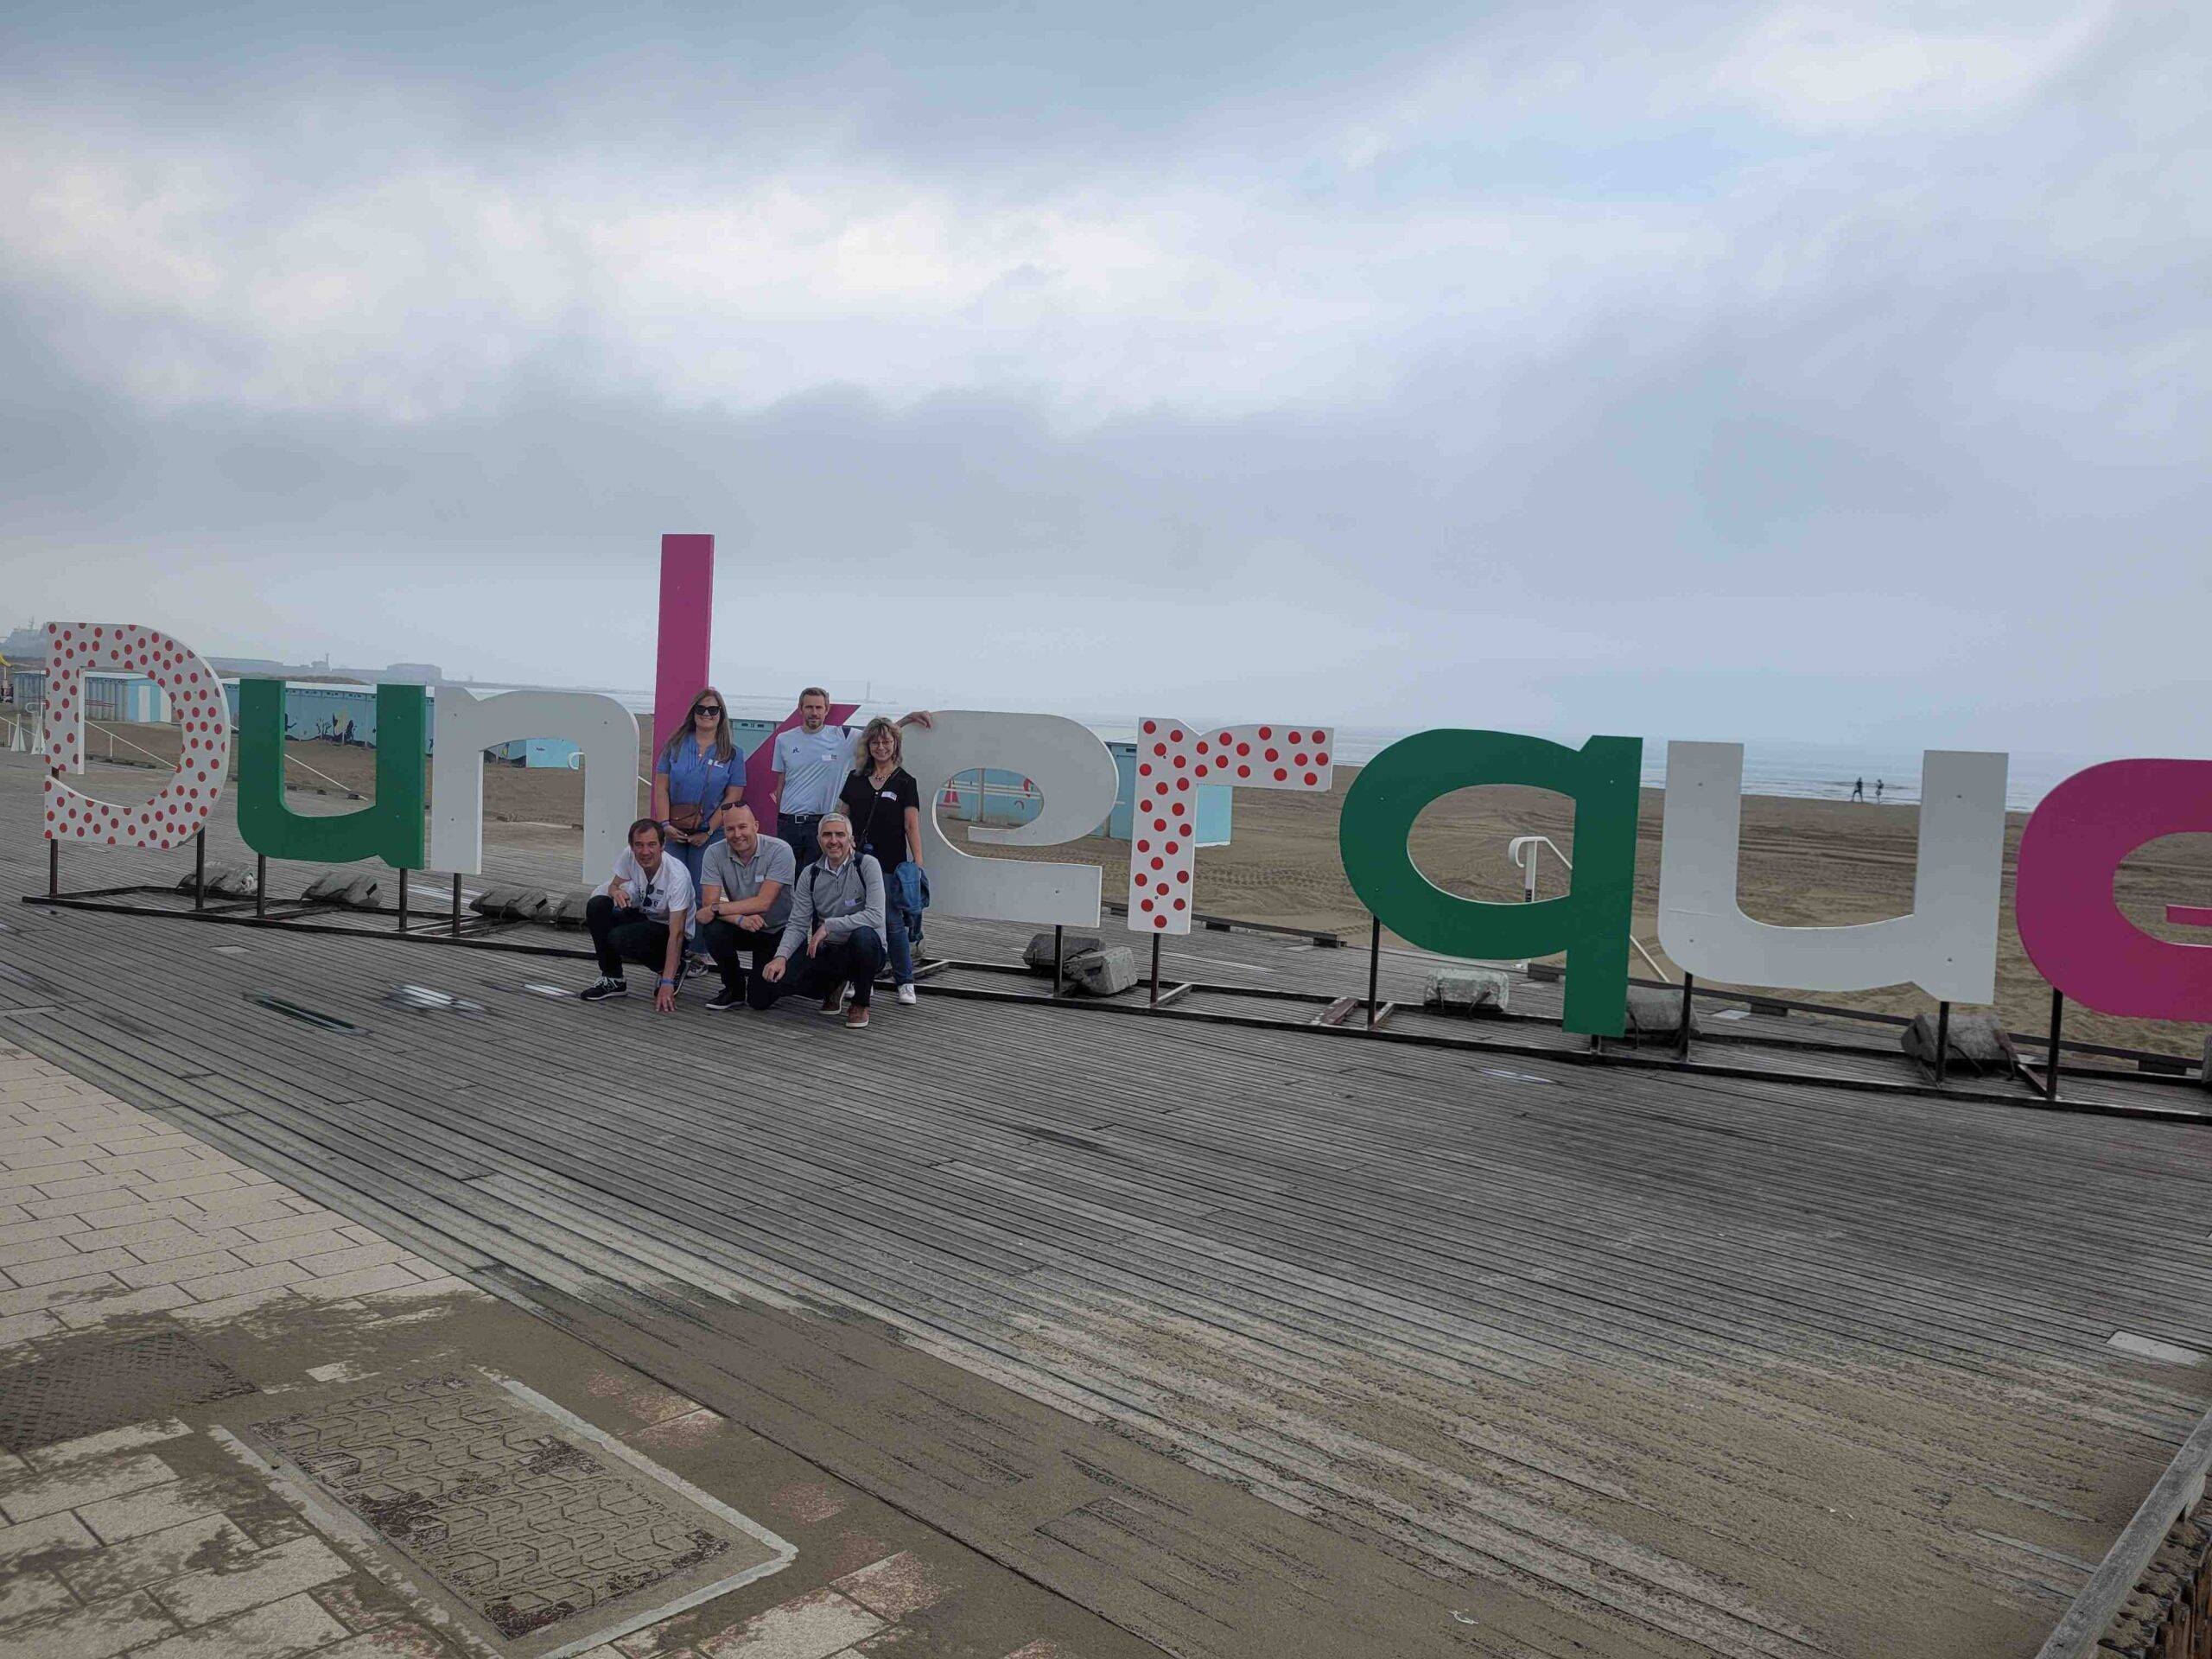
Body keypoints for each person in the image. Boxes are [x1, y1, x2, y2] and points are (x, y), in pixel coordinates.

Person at [770, 690, 933, 873]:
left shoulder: (843, 737)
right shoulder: (783, 740)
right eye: (809, 707)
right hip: (789, 824)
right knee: (785, 880)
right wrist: (780, 819)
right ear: (800, 709)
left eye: (818, 707)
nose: (814, 712)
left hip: (821, 824)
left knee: (818, 881)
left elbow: (879, 737)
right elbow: (781, 783)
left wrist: (909, 718)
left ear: (826, 709)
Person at [759, 812, 884, 1029]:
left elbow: (876, 915)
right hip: (829, 950)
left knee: (863, 937)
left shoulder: (868, 865)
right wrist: (781, 957)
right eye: (827, 835)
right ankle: (834, 985)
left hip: (866, 949)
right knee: (763, 994)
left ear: (850, 839)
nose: (833, 841)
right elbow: (798, 923)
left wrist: (829, 925)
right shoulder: (810, 873)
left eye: (840, 835)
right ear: (819, 840)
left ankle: (860, 1002)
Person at [839, 715, 923, 1006]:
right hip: (856, 863)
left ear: (895, 745)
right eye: (875, 741)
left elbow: (912, 826)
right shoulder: (856, 778)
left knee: (891, 921)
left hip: (890, 864)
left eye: (887, 741)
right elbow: (841, 816)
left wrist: (917, 865)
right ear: (868, 745)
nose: (881, 746)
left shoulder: (905, 782)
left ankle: (905, 981)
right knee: (856, 920)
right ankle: (861, 979)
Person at [581, 817, 695, 1010]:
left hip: (671, 929)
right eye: (639, 845)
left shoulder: (677, 877)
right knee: (597, 905)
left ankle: (674, 969)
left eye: (652, 845)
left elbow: (677, 934)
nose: (645, 852)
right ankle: (613, 978)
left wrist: (666, 982)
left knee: (619, 938)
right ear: (631, 846)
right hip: (646, 916)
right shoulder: (629, 856)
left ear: (662, 846)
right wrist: (616, 891)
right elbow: (614, 885)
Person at [694, 804, 795, 1012]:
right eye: (730, 829)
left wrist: (717, 909)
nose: (737, 834)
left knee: (760, 1001)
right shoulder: (714, 852)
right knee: (713, 930)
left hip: (778, 929)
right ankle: (734, 988)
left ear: (756, 826)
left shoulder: (780, 850)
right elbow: (708, 903)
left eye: (742, 827)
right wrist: (739, 919)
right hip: (746, 925)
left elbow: (763, 902)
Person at [653, 686, 744, 895]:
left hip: (710, 834)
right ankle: (672, 929)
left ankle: (697, 930)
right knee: (671, 891)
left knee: (702, 894)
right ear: (693, 713)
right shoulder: (674, 745)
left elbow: (734, 796)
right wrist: (665, 824)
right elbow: (661, 787)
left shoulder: (733, 753)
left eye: (713, 710)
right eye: (701, 709)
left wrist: (708, 830)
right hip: (674, 830)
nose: (706, 714)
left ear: (721, 714)